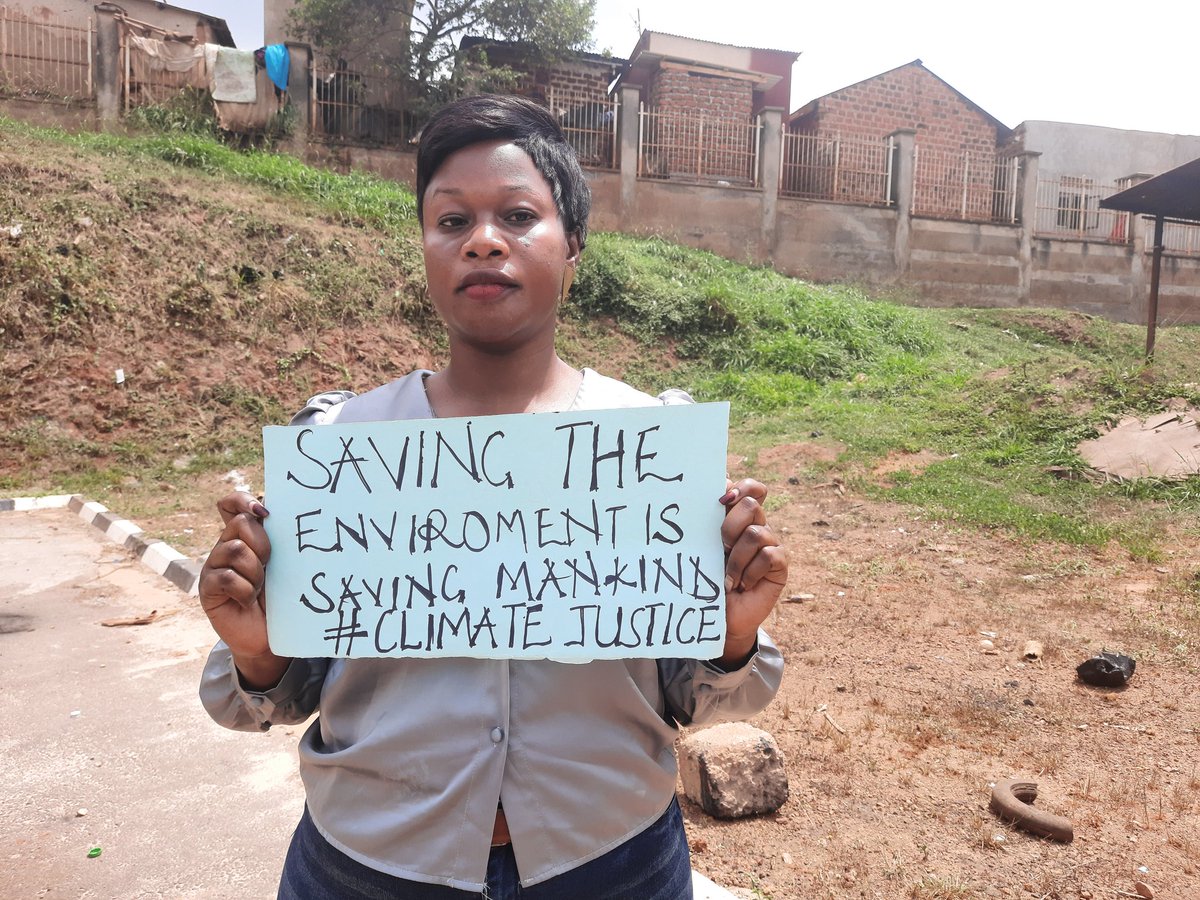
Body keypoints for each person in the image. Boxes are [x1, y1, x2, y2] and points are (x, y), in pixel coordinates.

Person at [198, 94, 788, 900]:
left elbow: (693, 693)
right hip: (367, 870)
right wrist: (257, 650)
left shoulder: (652, 448)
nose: (482, 240)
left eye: (518, 215)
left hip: (614, 865)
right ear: (425, 248)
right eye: (451, 221)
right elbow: (279, 695)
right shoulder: (340, 449)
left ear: (572, 244)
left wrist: (732, 633)